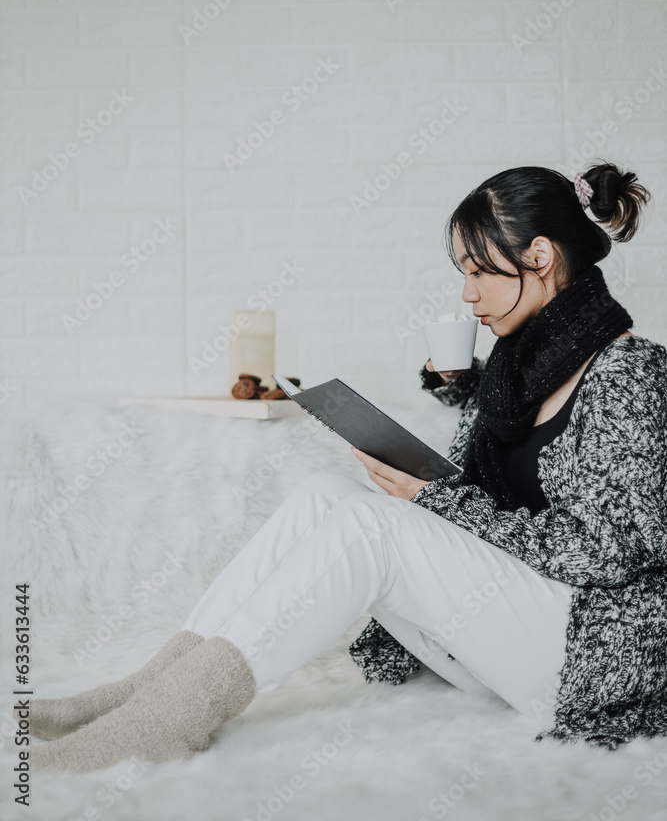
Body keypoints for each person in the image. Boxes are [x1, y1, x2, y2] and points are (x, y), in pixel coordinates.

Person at [27, 162, 667, 772]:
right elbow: (514, 449)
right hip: (512, 638)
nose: (467, 294)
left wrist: (433, 499)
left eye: (479, 271)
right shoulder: (522, 367)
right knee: (325, 493)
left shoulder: (631, 375)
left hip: (587, 659)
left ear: (541, 256)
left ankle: (167, 723)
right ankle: (152, 690)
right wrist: (456, 400)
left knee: (374, 527)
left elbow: (609, 552)